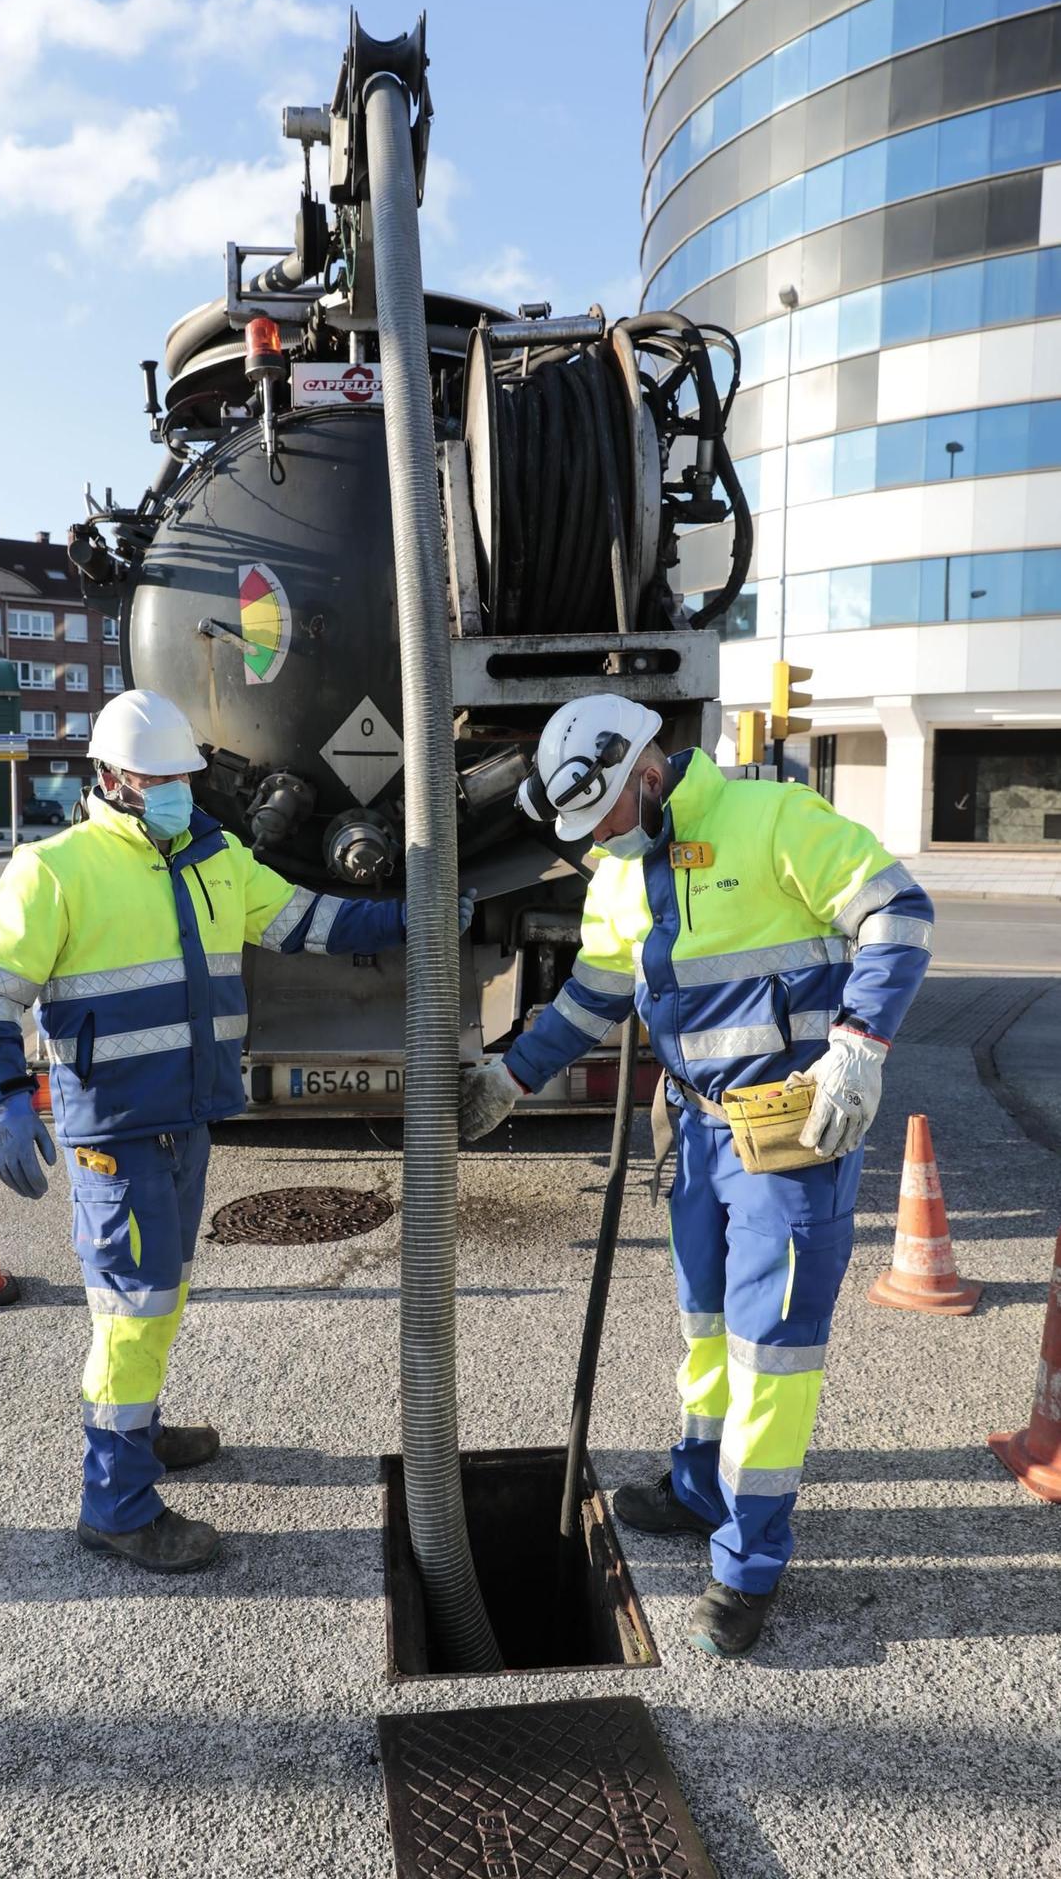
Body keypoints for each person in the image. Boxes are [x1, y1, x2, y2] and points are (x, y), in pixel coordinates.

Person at [0, 688, 471, 1574]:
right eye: (158, 780)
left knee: (163, 1295)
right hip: (113, 1134)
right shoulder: (55, 870)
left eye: (183, 779)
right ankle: (115, 1503)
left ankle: (141, 1434)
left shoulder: (215, 859)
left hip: (188, 1124)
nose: (175, 793)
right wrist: (4, 1099)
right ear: (111, 779)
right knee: (132, 1310)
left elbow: (310, 919)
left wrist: (413, 917)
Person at [459, 693, 933, 1658]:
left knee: (773, 1353)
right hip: (696, 1136)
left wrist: (858, 1044)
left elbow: (897, 911)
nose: (603, 842)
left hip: (787, 1139)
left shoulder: (772, 821)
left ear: (647, 770)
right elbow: (592, 993)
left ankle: (748, 1561)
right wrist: (511, 1076)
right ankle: (697, 1481)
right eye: (584, 832)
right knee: (706, 1329)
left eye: (608, 819)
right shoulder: (617, 876)